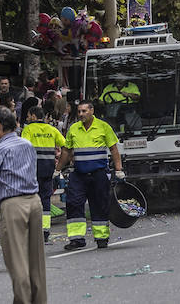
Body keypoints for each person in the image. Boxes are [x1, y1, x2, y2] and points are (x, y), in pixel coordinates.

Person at [0, 108, 45, 304]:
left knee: (16, 259)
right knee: (36, 260)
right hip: (34, 201)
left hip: (13, 205)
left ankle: (22, 300)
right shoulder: (27, 144)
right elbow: (14, 168)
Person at [56, 100, 123, 250]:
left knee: (99, 205)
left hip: (98, 174)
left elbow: (113, 149)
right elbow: (66, 151)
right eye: (79, 111)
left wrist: (118, 170)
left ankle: (101, 238)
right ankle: (76, 239)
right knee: (73, 203)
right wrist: (58, 169)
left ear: (92, 111)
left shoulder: (103, 127)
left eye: (84, 111)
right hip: (79, 174)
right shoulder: (74, 128)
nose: (81, 114)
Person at [20, 104, 65, 243]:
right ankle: (45, 231)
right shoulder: (52, 130)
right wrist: (59, 164)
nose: (27, 118)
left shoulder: (28, 129)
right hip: (48, 169)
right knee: (45, 200)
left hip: (32, 170)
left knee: (30, 199)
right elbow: (65, 145)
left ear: (33, 116)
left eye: (28, 116)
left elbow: (23, 148)